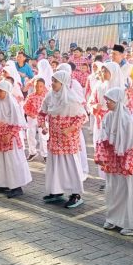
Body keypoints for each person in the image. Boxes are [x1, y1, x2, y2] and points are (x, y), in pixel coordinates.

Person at [95, 87, 133, 235]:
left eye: (109, 100)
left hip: (126, 164)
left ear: (118, 101)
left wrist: (127, 162)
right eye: (106, 100)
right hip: (113, 163)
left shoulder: (127, 120)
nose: (107, 103)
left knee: (130, 192)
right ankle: (115, 219)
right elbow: (102, 139)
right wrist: (101, 157)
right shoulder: (108, 117)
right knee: (115, 190)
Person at [38, 70, 87, 209]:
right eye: (52, 81)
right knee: (55, 166)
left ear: (63, 83)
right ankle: (56, 191)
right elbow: (42, 112)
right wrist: (42, 125)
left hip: (68, 140)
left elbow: (82, 117)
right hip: (54, 138)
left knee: (71, 166)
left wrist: (69, 129)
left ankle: (76, 195)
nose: (52, 84)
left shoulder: (72, 99)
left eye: (55, 81)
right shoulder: (50, 96)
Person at [0, 80, 31, 199]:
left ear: (6, 91)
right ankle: (3, 183)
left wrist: (10, 135)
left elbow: (18, 123)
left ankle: (16, 187)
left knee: (12, 161)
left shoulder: (13, 104)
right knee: (0, 161)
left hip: (9, 137)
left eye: (0, 91)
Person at [23, 78, 48, 162]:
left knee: (43, 136)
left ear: (44, 87)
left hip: (43, 119)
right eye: (36, 86)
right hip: (32, 117)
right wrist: (30, 114)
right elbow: (25, 107)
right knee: (30, 135)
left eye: (40, 86)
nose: (38, 88)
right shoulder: (31, 96)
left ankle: (45, 154)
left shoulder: (47, 96)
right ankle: (32, 152)